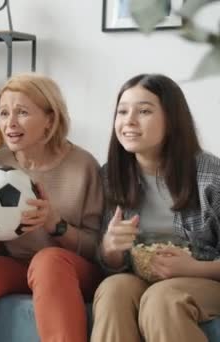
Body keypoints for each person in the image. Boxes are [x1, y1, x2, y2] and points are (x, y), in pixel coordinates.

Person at [0, 73, 104, 342]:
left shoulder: (84, 166)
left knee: (47, 261)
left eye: (22, 112)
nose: (9, 123)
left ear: (50, 119)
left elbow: (98, 250)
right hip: (16, 265)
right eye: (4, 113)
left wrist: (56, 225)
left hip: (71, 269)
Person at [91, 74, 220, 342]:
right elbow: (112, 265)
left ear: (172, 120)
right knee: (113, 289)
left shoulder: (210, 175)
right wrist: (111, 248)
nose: (129, 121)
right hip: (140, 278)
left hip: (207, 280)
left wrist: (194, 268)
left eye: (144, 111)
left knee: (163, 299)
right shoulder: (110, 176)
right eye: (122, 111)